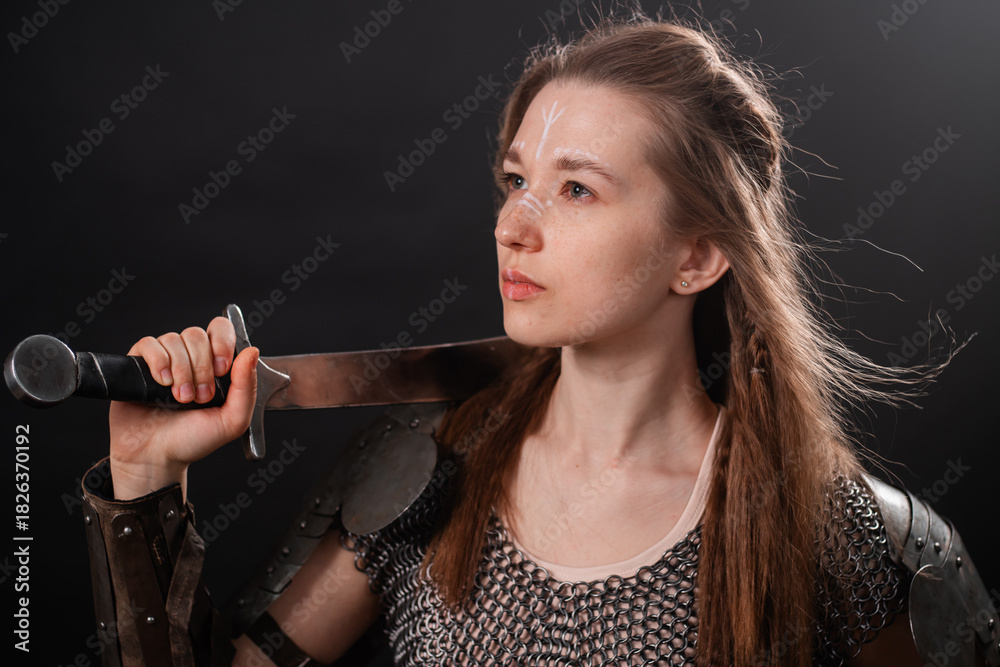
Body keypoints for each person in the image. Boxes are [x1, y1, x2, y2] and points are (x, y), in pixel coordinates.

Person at [80, 11, 997, 667]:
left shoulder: (835, 533)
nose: (512, 226)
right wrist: (146, 479)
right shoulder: (423, 474)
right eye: (516, 179)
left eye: (577, 189)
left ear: (699, 254)